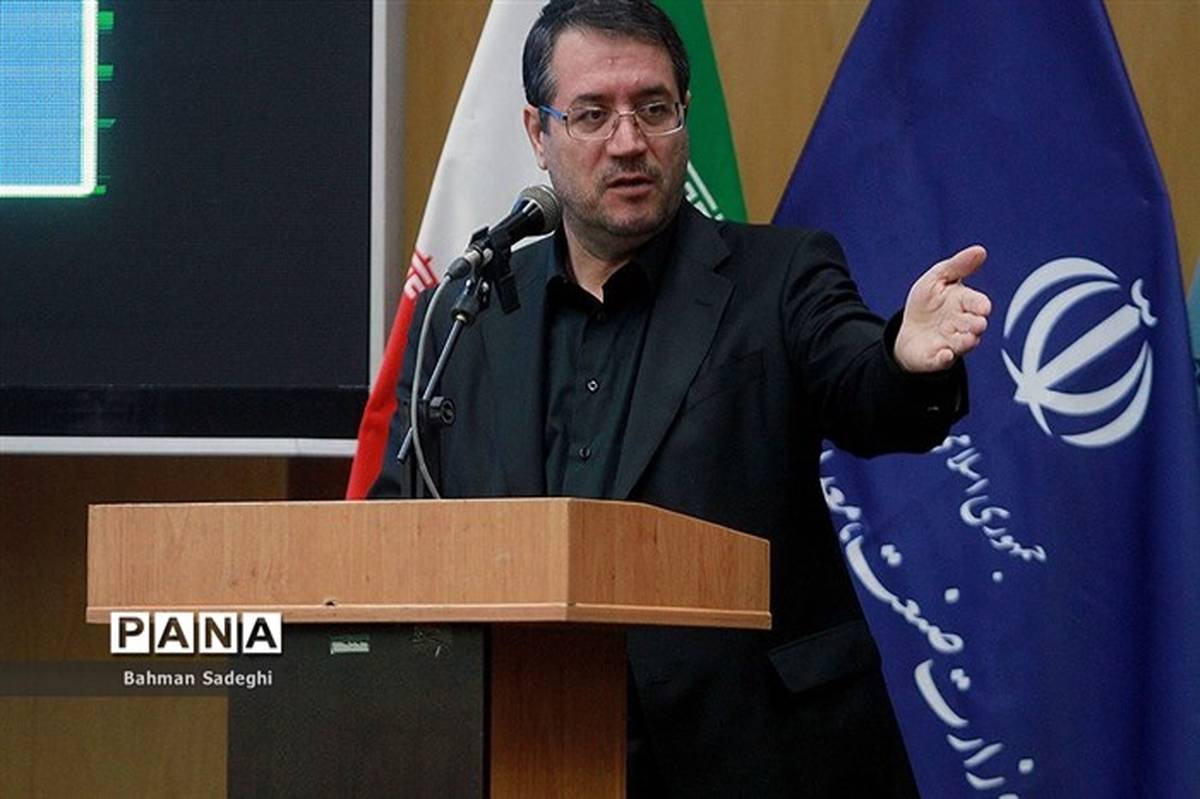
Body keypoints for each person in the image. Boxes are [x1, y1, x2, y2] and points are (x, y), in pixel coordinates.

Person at [372, 1, 992, 795]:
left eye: (653, 108)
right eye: (592, 114)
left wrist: (905, 359)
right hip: (532, 748)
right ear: (538, 133)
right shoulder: (465, 317)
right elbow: (396, 534)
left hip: (761, 755)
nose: (628, 141)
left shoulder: (781, 277)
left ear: (683, 115)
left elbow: (865, 387)